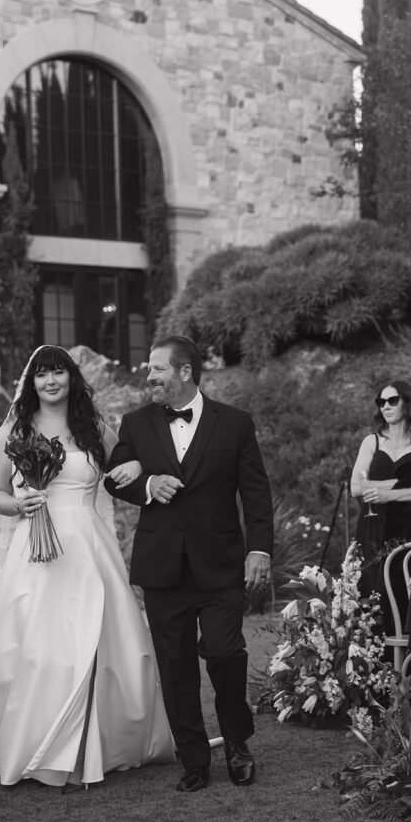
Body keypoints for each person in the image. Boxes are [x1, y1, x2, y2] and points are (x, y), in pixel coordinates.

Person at [0, 345, 175, 788]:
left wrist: (137, 465)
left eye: (58, 373)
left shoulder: (93, 427)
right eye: (42, 374)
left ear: (71, 378)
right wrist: (20, 503)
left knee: (102, 639)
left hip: (89, 545)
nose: (50, 381)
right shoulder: (14, 430)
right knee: (38, 645)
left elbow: (129, 460)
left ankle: (100, 744)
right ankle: (35, 742)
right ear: (31, 382)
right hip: (36, 548)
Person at [104, 335, 274, 793]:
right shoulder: (136, 423)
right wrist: (147, 483)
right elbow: (114, 479)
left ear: (185, 372)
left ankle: (236, 741)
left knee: (224, 653)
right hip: (163, 567)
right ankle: (194, 759)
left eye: (158, 368)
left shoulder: (235, 423)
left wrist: (259, 549)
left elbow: (256, 492)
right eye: (150, 369)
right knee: (175, 666)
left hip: (220, 565)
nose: (150, 377)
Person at [356, 381, 411, 647]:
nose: (386, 406)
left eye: (392, 400)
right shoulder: (371, 441)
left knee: (406, 589)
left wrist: (387, 493)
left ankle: (408, 661)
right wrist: (404, 484)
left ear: (407, 401)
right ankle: (372, 665)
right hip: (373, 526)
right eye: (381, 402)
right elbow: (356, 487)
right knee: (373, 592)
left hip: (409, 528)